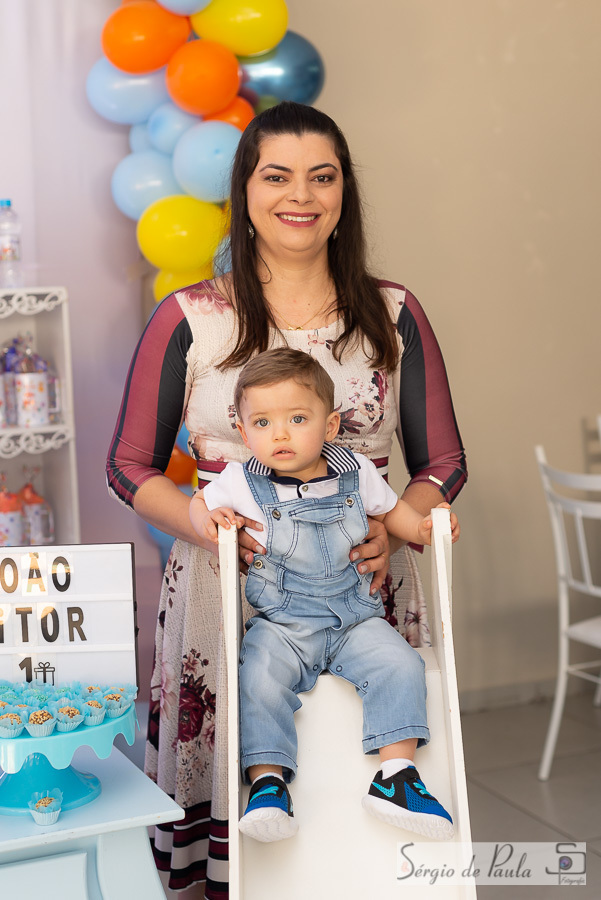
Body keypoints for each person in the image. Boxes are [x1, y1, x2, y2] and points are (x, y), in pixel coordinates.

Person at [106, 101, 467, 899]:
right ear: (245, 190)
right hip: (219, 598)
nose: (299, 195)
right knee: (246, 832)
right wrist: (200, 523)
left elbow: (441, 459)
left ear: (343, 194)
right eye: (276, 176)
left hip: (364, 591)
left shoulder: (393, 312)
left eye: (322, 176)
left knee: (370, 832)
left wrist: (399, 527)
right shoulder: (191, 318)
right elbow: (130, 466)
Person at [190, 348, 459, 844]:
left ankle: (396, 777)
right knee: (258, 677)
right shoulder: (241, 482)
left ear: (330, 425)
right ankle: (268, 783)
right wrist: (207, 520)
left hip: (355, 618)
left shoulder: (356, 473)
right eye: (264, 423)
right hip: (284, 625)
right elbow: (198, 503)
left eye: (297, 418)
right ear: (244, 433)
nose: (281, 434)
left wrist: (422, 525)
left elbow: (394, 514)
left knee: (401, 665)